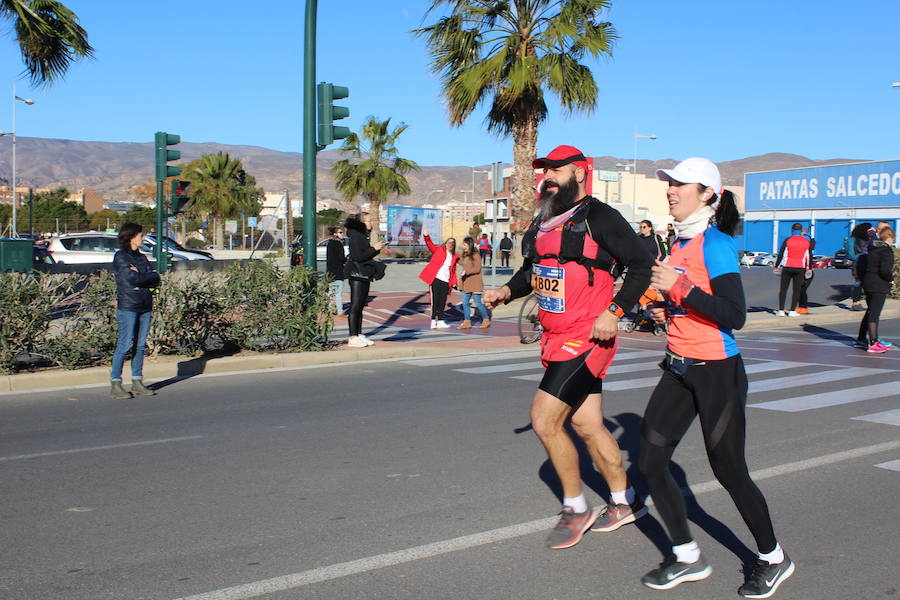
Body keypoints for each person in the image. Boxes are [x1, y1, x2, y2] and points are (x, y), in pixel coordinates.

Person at [483, 145, 653, 550]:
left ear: (578, 171)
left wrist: (615, 310)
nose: (548, 176)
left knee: (544, 420)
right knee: (587, 425)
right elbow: (534, 272)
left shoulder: (600, 217)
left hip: (588, 337)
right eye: (545, 171)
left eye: (556, 170)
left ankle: (576, 508)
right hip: (555, 336)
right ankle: (623, 502)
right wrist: (505, 291)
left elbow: (641, 265)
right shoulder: (545, 221)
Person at [639, 157, 794, 597]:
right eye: (669, 185)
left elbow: (734, 314)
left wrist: (680, 289)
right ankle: (686, 555)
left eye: (680, 185)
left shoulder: (716, 244)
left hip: (717, 373)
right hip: (678, 368)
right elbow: (689, 303)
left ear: (707, 194)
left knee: (729, 470)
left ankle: (773, 558)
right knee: (649, 463)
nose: (670, 191)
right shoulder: (678, 243)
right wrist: (664, 307)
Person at [110, 222, 160, 399]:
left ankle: (137, 381)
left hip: (145, 305)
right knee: (125, 345)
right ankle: (116, 383)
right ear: (131, 237)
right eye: (141, 235)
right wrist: (144, 276)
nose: (144, 238)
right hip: (128, 306)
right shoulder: (121, 257)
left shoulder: (142, 258)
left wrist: (145, 276)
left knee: (140, 346)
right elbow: (132, 278)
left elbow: (155, 278)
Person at [344, 212, 385, 348]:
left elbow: (365, 255)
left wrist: (376, 249)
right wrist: (374, 248)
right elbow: (357, 256)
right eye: (368, 221)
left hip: (363, 273)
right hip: (357, 275)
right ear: (361, 222)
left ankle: (359, 334)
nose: (371, 223)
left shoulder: (362, 236)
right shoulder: (356, 236)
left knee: (360, 305)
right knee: (355, 306)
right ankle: (352, 336)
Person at [856, 226, 895, 352]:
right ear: (889, 238)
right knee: (874, 314)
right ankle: (873, 342)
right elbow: (885, 270)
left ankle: (861, 339)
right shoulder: (886, 251)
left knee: (870, 312)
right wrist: (890, 279)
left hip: (868, 282)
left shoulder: (872, 248)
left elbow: (862, 265)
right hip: (879, 284)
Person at [419, 226, 458, 329]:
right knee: (434, 301)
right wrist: (426, 236)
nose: (450, 244)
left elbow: (453, 271)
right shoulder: (438, 250)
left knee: (442, 302)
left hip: (446, 281)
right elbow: (429, 244)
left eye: (452, 243)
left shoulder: (454, 256)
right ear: (445, 243)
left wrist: (454, 282)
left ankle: (440, 320)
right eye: (449, 242)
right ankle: (433, 320)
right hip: (435, 279)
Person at [773, 223, 812, 316]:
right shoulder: (806, 241)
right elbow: (809, 256)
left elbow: (781, 254)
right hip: (800, 268)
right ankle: (792, 311)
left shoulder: (788, 240)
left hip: (787, 267)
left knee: (783, 289)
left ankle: (781, 310)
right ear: (801, 230)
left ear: (792, 230)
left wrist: (776, 266)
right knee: (796, 290)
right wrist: (809, 268)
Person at [456, 236, 491, 329]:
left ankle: (486, 319)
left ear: (469, 244)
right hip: (466, 283)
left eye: (464, 244)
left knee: (478, 303)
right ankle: (467, 322)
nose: (463, 246)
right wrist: (454, 257)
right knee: (465, 303)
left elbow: (477, 268)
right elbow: (462, 263)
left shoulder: (476, 255)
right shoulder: (465, 255)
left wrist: (466, 271)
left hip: (475, 283)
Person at [847, 222, 873, 311]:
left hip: (856, 263)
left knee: (858, 282)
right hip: (862, 262)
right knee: (861, 283)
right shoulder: (864, 239)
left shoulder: (852, 238)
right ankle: (856, 303)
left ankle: (856, 302)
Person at [325, 226, 346, 318]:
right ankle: (340, 312)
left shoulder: (330, 243)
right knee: (338, 294)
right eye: (340, 232)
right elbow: (341, 258)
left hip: (330, 271)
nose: (342, 234)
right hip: (338, 271)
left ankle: (329, 311)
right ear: (335, 234)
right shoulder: (339, 244)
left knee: (330, 293)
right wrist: (347, 259)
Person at [796, 229, 816, 314]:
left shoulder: (808, 251)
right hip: (802, 270)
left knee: (802, 288)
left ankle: (803, 307)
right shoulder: (805, 251)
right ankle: (801, 306)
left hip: (807, 271)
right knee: (800, 289)